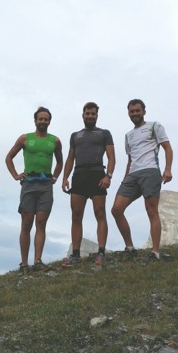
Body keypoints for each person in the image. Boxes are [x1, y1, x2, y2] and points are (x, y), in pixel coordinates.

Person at [111, 99, 174, 261]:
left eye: (137, 110)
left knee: (151, 211)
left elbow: (167, 147)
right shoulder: (128, 136)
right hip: (132, 175)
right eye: (132, 111)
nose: (135, 114)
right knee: (116, 209)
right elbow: (130, 160)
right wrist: (124, 179)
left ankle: (155, 252)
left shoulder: (154, 126)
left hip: (150, 171)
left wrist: (167, 169)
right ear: (128, 114)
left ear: (144, 111)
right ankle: (130, 247)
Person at [5, 106, 63, 275]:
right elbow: (9, 157)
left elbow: (60, 161)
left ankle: (37, 261)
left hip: (46, 185)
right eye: (40, 119)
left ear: (49, 121)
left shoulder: (55, 141)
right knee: (26, 223)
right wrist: (16, 175)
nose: (43, 121)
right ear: (35, 120)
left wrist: (55, 176)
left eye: (46, 119)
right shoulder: (25, 138)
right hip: (29, 183)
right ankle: (24, 264)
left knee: (41, 223)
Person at [61, 102, 116, 267]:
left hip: (97, 174)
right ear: (83, 115)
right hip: (79, 175)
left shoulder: (104, 133)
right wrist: (65, 177)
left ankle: (101, 253)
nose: (90, 116)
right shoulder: (75, 135)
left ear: (97, 116)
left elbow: (111, 157)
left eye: (93, 114)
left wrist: (108, 176)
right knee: (76, 215)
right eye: (87, 114)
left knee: (100, 213)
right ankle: (76, 254)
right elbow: (70, 158)